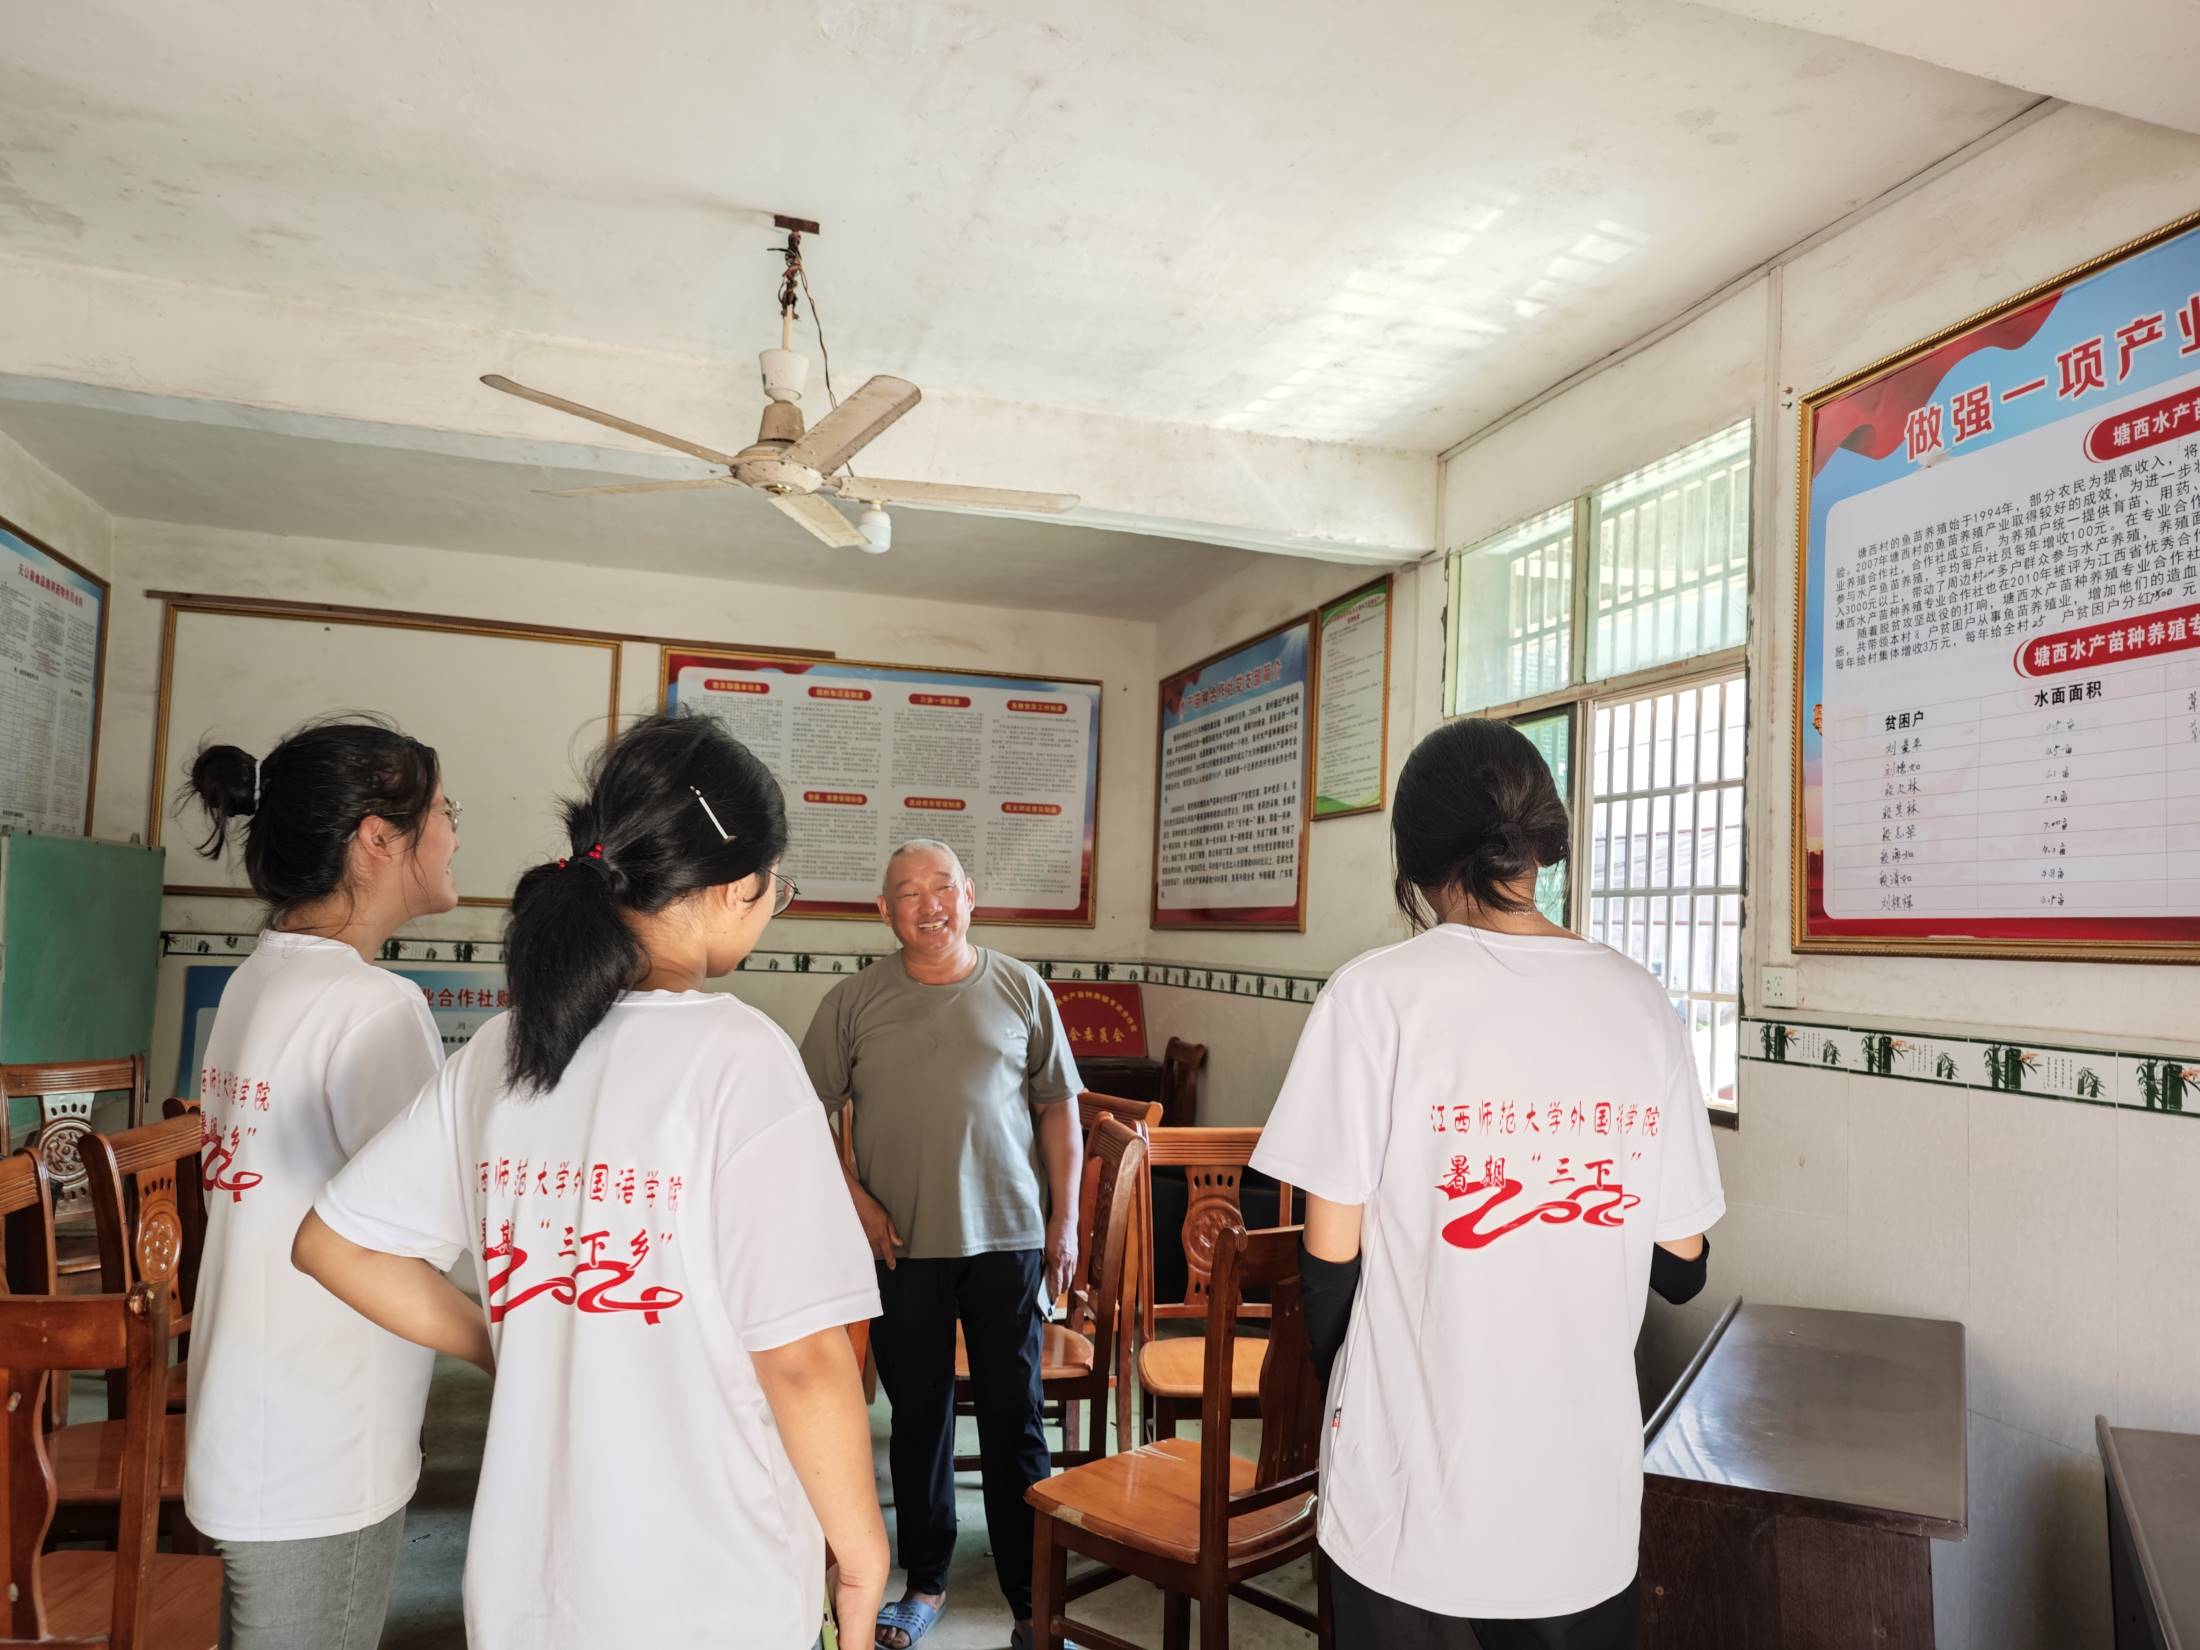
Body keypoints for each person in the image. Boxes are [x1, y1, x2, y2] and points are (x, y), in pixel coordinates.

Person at [291, 712, 889, 1650]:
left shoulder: (504, 1047)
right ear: (739, 887)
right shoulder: (740, 1058)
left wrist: (501, 1338)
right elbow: (805, 1361)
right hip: (709, 1592)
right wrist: (863, 1561)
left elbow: (333, 1244)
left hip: (526, 1593)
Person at [1251, 718, 1725, 1650]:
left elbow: (1328, 1270)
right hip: (1579, 1517)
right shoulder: (1642, 1003)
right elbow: (1684, 1264)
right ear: (1542, 838)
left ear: (1416, 859)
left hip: (1407, 1508)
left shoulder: (1375, 996)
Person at [178, 718, 459, 1649]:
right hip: (321, 1444)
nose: (456, 833)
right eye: (444, 813)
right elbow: (418, 1239)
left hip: (252, 1425)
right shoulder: (373, 1006)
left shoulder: (257, 981)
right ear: (379, 838)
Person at [800, 840, 1083, 1650]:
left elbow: (1058, 1110)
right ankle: (925, 1585)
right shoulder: (852, 1003)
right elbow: (806, 1112)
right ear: (882, 911)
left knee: (1015, 1420)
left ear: (971, 896)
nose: (930, 905)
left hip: (1009, 1239)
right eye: (909, 893)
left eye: (943, 888)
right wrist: (854, 1201)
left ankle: (1035, 1605)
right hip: (902, 1245)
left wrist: (1063, 1221)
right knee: (919, 1418)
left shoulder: (1021, 988)